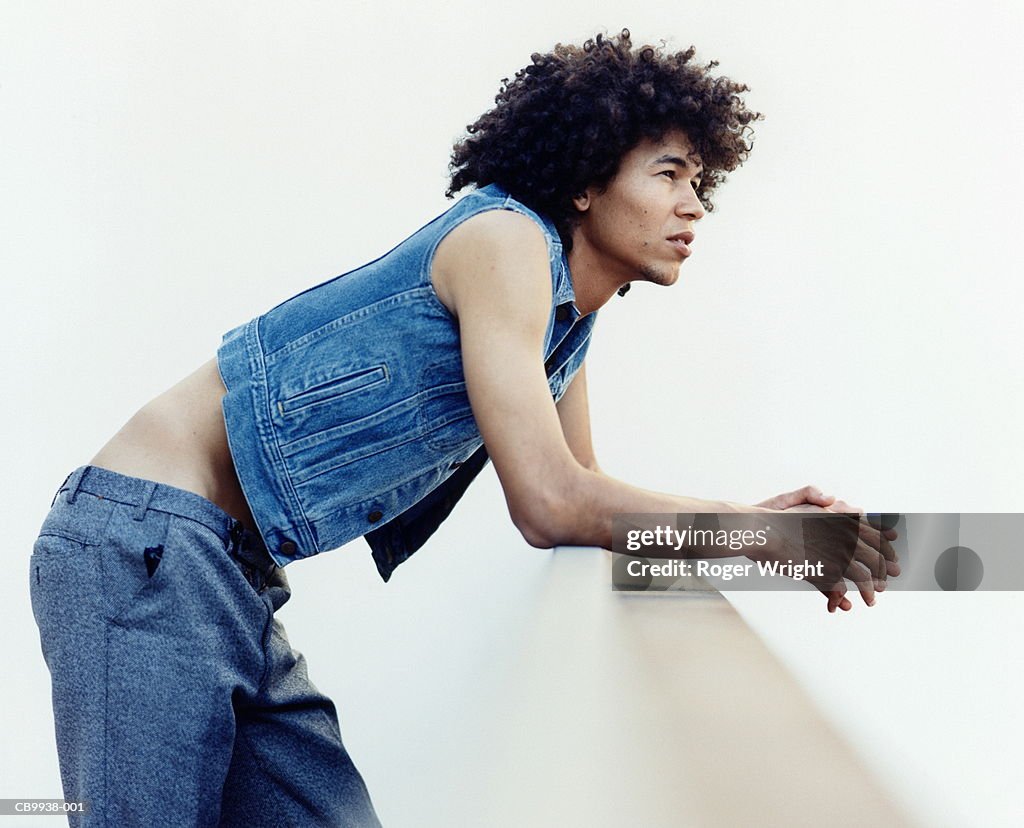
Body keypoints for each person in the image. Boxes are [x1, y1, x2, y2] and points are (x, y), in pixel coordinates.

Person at [29, 29, 898, 826]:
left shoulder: (564, 322)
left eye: (700, 183)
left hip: (233, 573)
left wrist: (760, 526)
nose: (694, 205)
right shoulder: (502, 242)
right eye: (668, 174)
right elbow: (550, 504)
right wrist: (758, 538)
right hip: (140, 549)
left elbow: (583, 494)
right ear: (587, 182)